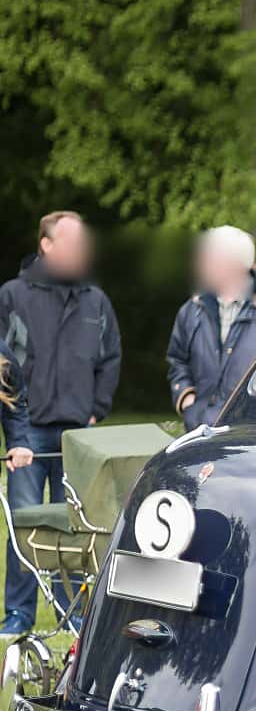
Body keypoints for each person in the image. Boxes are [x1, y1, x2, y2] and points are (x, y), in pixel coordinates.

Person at [0, 211, 121, 636]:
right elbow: (3, 366)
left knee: (75, 529)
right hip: (27, 431)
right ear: (46, 246)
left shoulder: (95, 299)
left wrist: (96, 408)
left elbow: (110, 358)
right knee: (26, 524)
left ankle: (73, 614)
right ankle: (18, 615)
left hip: (78, 435)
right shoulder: (12, 296)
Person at [167, 226, 256, 429]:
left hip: (254, 435)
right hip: (200, 432)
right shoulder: (194, 307)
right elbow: (177, 360)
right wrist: (187, 398)